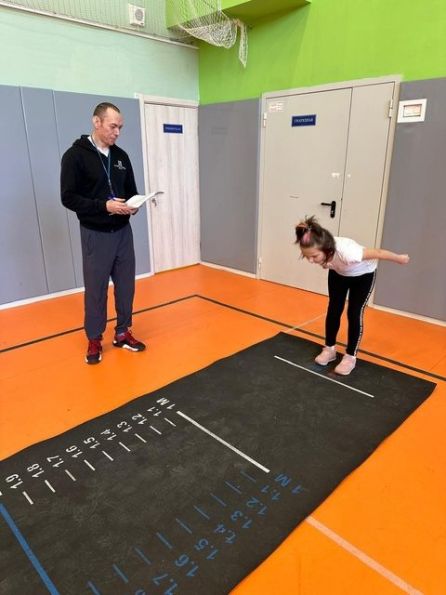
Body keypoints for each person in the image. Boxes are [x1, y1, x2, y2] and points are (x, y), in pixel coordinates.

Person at [61, 102, 146, 364]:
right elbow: (68, 197)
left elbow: (131, 191)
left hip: (123, 233)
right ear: (96, 122)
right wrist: (104, 206)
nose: (117, 132)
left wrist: (133, 205)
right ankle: (94, 339)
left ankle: (122, 332)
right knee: (96, 290)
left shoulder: (121, 157)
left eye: (120, 127)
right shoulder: (75, 156)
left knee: (126, 286)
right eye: (113, 126)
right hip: (95, 234)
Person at [295, 216, 409, 375]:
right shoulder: (321, 248)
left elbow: (378, 252)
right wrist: (321, 260)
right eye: (307, 256)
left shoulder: (348, 253)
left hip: (363, 275)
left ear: (326, 248)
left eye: (314, 256)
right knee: (334, 309)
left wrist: (399, 258)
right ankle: (329, 349)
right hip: (339, 273)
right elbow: (327, 261)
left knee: (354, 313)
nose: (311, 261)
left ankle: (350, 357)